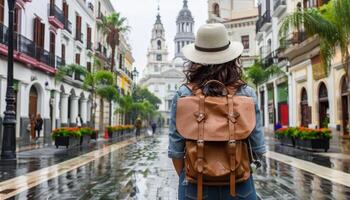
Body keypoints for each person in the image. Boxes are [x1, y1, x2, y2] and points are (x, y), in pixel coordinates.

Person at [168, 24, 266, 199]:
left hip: (194, 186)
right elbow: (258, 148)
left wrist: (193, 175)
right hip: (240, 185)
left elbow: (176, 153)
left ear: (196, 60)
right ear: (230, 57)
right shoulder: (247, 93)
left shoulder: (182, 94)